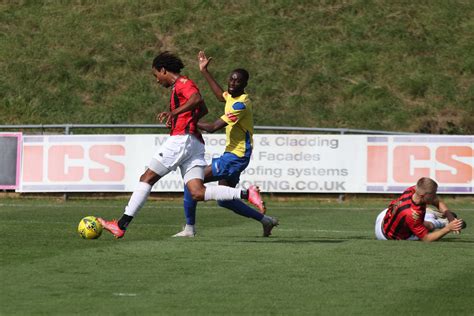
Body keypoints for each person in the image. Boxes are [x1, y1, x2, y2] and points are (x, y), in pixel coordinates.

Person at [98, 51, 265, 239]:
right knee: (197, 192)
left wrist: (174, 113)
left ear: (163, 70)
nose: (157, 80)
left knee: (147, 177)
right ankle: (246, 194)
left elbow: (196, 100)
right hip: (194, 143)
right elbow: (203, 108)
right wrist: (186, 114)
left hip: (183, 139)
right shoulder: (191, 88)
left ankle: (121, 225)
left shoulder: (183, 84)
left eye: (156, 75)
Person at [172, 50, 279, 238]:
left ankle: (189, 228)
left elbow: (213, 127)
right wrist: (205, 71)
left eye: (237, 81)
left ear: (245, 85)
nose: (232, 83)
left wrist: (188, 122)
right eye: (231, 79)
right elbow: (221, 97)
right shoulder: (232, 97)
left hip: (235, 157)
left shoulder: (241, 104)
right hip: (235, 155)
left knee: (192, 182)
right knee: (225, 201)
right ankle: (266, 221)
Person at [374, 177, 466, 242]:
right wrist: (448, 228)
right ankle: (441, 222)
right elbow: (427, 238)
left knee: (417, 219)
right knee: (429, 226)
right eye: (433, 194)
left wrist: (451, 218)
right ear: (423, 196)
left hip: (383, 217)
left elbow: (437, 201)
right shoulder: (412, 214)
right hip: (388, 237)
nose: (435, 196)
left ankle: (430, 213)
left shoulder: (414, 189)